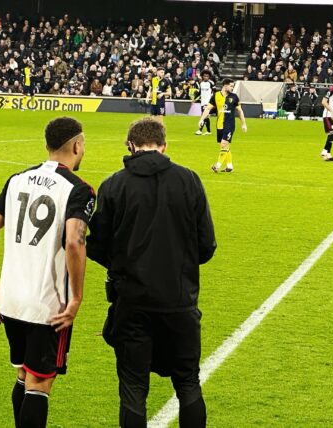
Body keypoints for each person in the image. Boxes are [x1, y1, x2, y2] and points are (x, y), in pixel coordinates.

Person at [87, 118, 216, 428]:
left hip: (131, 301)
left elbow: (96, 245)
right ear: (164, 145)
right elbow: (206, 246)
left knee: (133, 388)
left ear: (131, 145)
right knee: (187, 383)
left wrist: (125, 265)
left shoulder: (114, 185)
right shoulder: (189, 180)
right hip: (179, 299)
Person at [0, 117, 95, 428]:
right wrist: (76, 299)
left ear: (47, 145)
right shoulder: (79, 190)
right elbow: (74, 241)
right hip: (47, 304)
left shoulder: (17, 179)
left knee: (23, 373)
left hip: (11, 299)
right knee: (40, 383)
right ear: (76, 146)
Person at [198, 78, 247, 173]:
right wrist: (201, 119)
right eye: (231, 86)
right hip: (219, 125)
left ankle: (217, 165)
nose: (232, 88)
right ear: (225, 85)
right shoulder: (216, 96)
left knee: (223, 144)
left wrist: (243, 124)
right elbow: (208, 109)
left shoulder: (234, 97)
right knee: (224, 147)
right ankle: (229, 166)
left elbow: (240, 111)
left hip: (229, 125)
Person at [195, 70, 214, 136]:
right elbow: (200, 92)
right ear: (202, 76)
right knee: (205, 117)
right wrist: (194, 99)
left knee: (204, 116)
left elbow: (214, 92)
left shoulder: (211, 83)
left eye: (207, 76)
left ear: (209, 77)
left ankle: (200, 130)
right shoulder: (201, 84)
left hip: (208, 103)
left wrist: (212, 101)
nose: (206, 77)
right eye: (204, 76)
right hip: (202, 102)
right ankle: (208, 131)